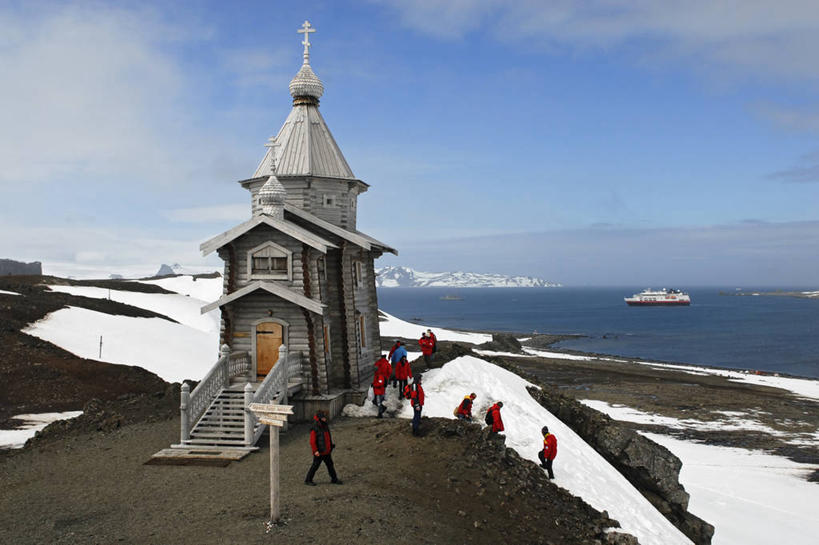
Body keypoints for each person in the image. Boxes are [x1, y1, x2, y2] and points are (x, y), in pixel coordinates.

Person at [304, 410, 342, 485]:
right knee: (315, 466)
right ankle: (308, 480)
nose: (325, 419)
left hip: (327, 451)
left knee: (330, 465)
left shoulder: (325, 425)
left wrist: (330, 446)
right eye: (324, 418)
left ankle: (334, 479)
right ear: (320, 418)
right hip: (320, 452)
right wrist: (315, 451)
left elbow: (328, 437)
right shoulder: (315, 428)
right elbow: (312, 442)